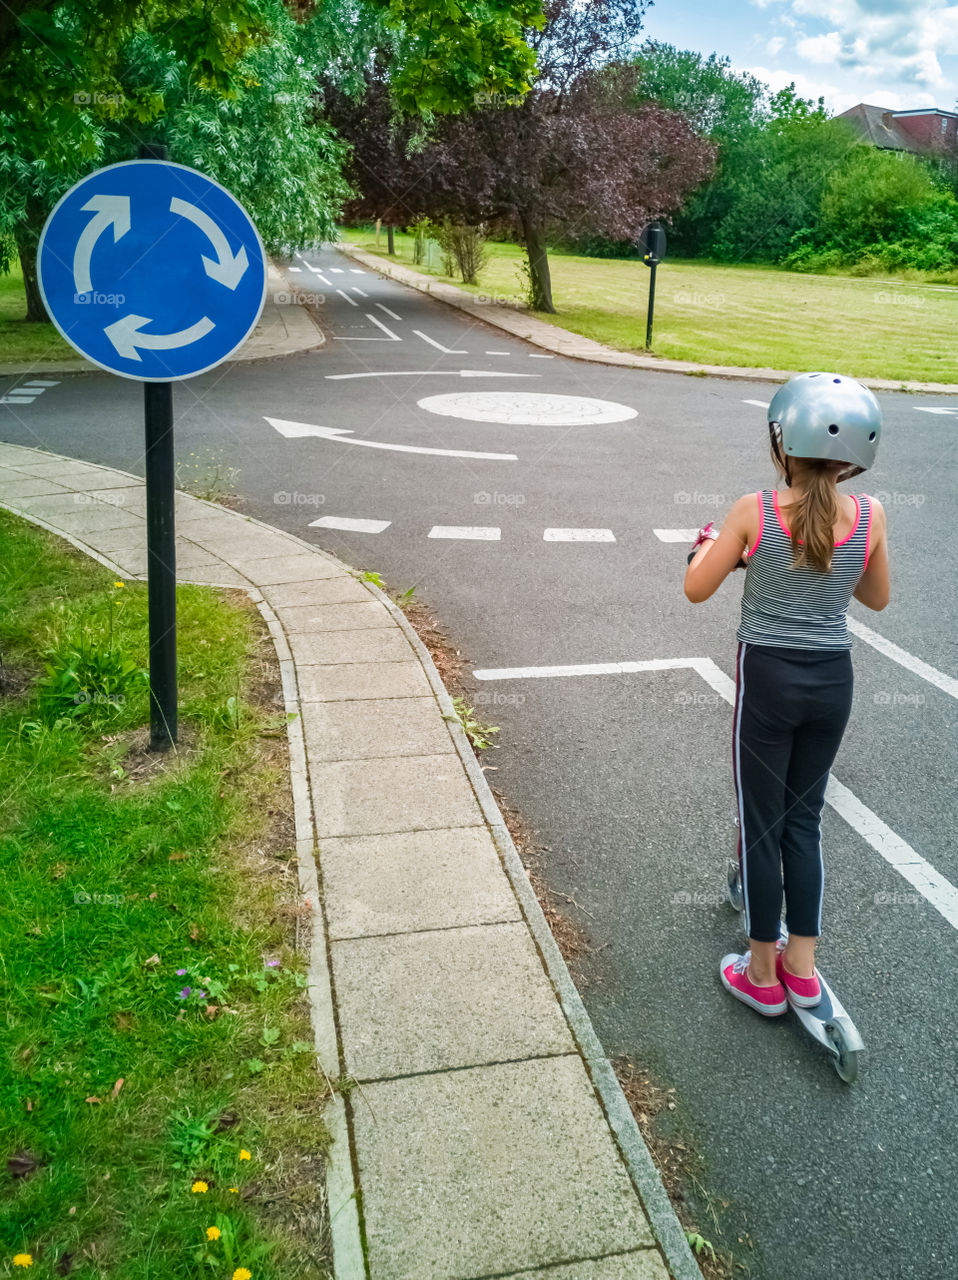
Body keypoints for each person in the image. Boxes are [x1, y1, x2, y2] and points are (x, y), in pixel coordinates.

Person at [683, 372, 890, 1016]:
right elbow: (876, 597)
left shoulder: (756, 511)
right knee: (805, 820)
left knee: (761, 820)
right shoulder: (873, 513)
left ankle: (762, 973)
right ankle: (802, 966)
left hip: (769, 676)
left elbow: (696, 587)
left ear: (783, 443)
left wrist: (714, 547)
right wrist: (833, 563)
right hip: (833, 681)